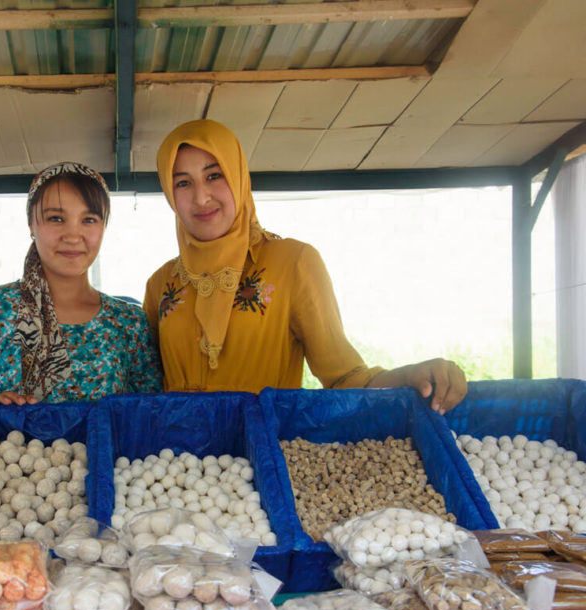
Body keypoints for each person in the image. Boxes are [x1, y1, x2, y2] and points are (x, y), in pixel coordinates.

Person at [143, 119, 467, 413]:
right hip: (177, 467)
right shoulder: (162, 284)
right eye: (183, 183)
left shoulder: (291, 263)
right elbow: (147, 387)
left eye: (214, 175)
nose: (201, 197)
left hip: (266, 460)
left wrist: (409, 377)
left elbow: (342, 377)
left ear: (238, 177)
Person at [0, 162, 163, 405]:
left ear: (104, 226)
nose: (73, 236)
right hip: (6, 444)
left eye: (89, 219)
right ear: (31, 225)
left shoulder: (129, 323)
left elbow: (150, 419)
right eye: (56, 218)